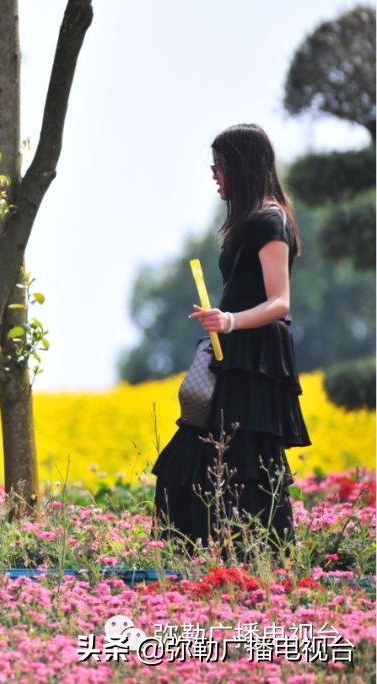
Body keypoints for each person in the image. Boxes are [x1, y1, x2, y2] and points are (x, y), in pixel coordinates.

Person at [152, 123, 310, 554]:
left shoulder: (270, 221)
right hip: (235, 349)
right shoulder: (250, 222)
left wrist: (230, 321)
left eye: (219, 166)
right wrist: (223, 322)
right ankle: (210, 555)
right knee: (207, 455)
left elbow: (280, 302)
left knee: (244, 460)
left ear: (240, 167)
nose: (214, 175)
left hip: (255, 356)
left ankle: (253, 558)